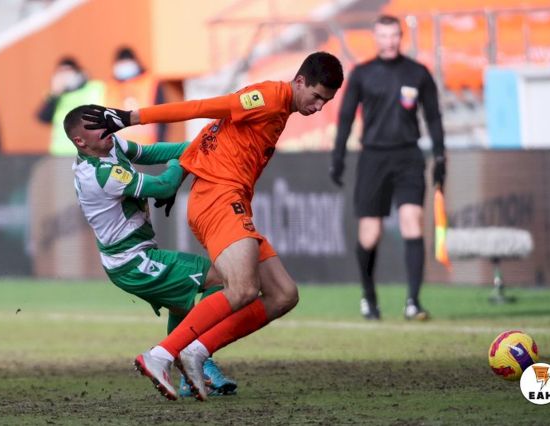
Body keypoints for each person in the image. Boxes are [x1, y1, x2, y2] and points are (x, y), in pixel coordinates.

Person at [82, 51, 344, 401]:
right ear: (299, 81)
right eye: (316, 97)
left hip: (232, 201)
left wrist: (182, 173)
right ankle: (162, 354)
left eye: (326, 102)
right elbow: (202, 108)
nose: (319, 107)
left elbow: (212, 135)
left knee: (283, 294)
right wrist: (132, 117)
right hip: (219, 199)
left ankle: (197, 351)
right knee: (242, 287)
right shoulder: (268, 96)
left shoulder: (281, 108)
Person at [62, 105, 236, 399]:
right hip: (133, 262)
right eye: (98, 126)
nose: (108, 128)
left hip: (132, 259)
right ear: (80, 141)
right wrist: (184, 160)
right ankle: (197, 358)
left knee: (182, 308)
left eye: (106, 121)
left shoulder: (111, 145)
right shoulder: (101, 174)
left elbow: (152, 152)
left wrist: (200, 144)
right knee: (221, 278)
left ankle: (190, 376)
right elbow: (165, 186)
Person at [330, 15, 446, 321]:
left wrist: (440, 156)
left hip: (409, 156)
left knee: (412, 221)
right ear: (375, 38)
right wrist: (338, 157)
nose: (389, 41)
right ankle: (369, 297)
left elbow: (433, 117)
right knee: (370, 234)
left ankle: (413, 302)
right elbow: (345, 117)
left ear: (401, 37)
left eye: (394, 35)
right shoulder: (362, 74)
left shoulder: (417, 73)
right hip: (373, 158)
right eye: (383, 35)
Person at [38, 57, 105, 156]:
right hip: (61, 152)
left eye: (68, 71)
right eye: (61, 72)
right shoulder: (56, 95)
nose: (65, 76)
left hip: (88, 151)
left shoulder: (95, 88)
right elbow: (44, 118)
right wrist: (55, 94)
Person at [106, 46, 167, 145]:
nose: (124, 66)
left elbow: (163, 117)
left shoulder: (150, 83)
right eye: (121, 63)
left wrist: (161, 145)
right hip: (118, 148)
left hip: (147, 147)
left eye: (127, 62)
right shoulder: (110, 87)